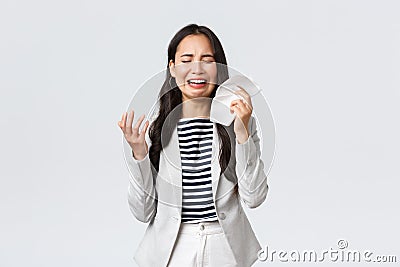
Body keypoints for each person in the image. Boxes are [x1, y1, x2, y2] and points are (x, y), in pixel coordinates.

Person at [118, 23, 269, 267]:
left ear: (218, 68)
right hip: (173, 250)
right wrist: (139, 155)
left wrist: (242, 133)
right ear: (172, 68)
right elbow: (142, 212)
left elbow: (254, 197)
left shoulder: (238, 123)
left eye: (207, 60)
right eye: (186, 59)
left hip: (226, 248)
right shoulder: (156, 131)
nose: (197, 69)